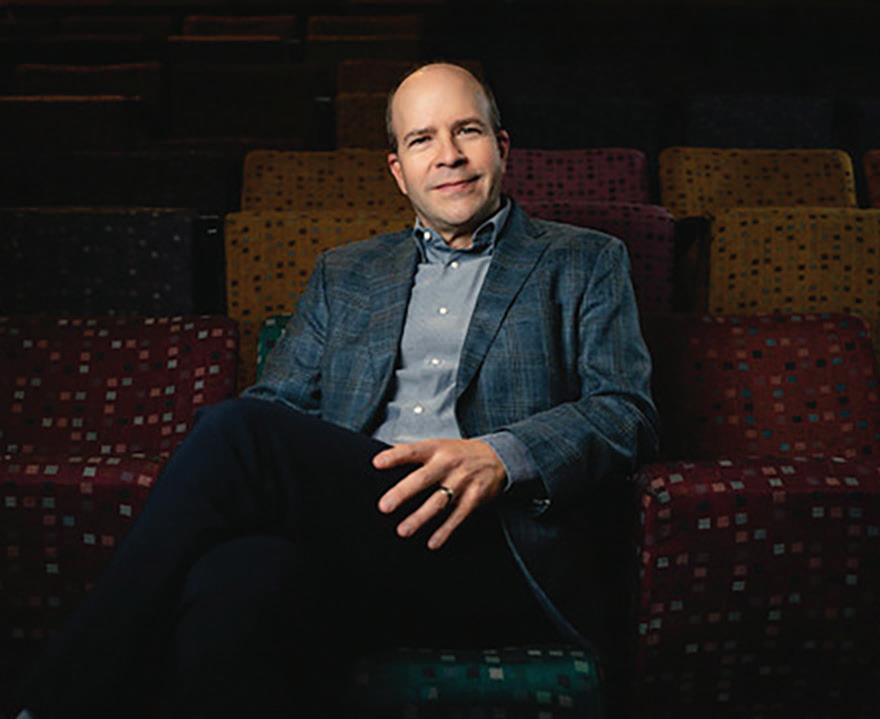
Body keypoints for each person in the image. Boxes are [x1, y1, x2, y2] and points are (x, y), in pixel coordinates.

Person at [11, 62, 658, 718]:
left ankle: (55, 701)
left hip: (497, 548)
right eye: (422, 139)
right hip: (357, 539)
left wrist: (502, 455)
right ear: (398, 170)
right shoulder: (346, 272)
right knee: (232, 579)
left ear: (502, 146)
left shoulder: (584, 259)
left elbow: (625, 413)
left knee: (235, 433)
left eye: (467, 131)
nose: (449, 155)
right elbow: (275, 406)